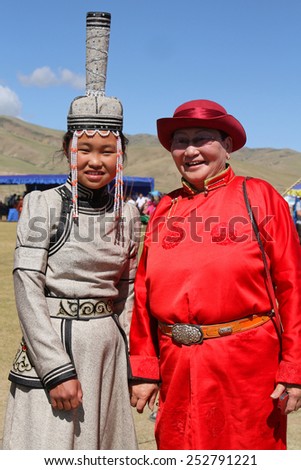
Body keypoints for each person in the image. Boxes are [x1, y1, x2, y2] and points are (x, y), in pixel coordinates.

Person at [129, 99, 301, 450]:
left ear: (227, 146)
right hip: (176, 365)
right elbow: (144, 294)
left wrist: (294, 369)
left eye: (202, 138)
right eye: (180, 141)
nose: (190, 150)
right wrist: (144, 368)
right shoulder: (164, 208)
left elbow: (292, 286)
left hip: (246, 366)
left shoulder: (260, 197)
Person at [3, 11, 140, 450]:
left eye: (107, 151)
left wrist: (133, 364)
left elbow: (129, 291)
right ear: (68, 151)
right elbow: (27, 285)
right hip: (54, 348)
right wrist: (54, 368)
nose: (95, 161)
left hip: (107, 353)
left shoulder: (131, 215)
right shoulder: (43, 205)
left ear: (121, 157)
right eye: (85, 149)